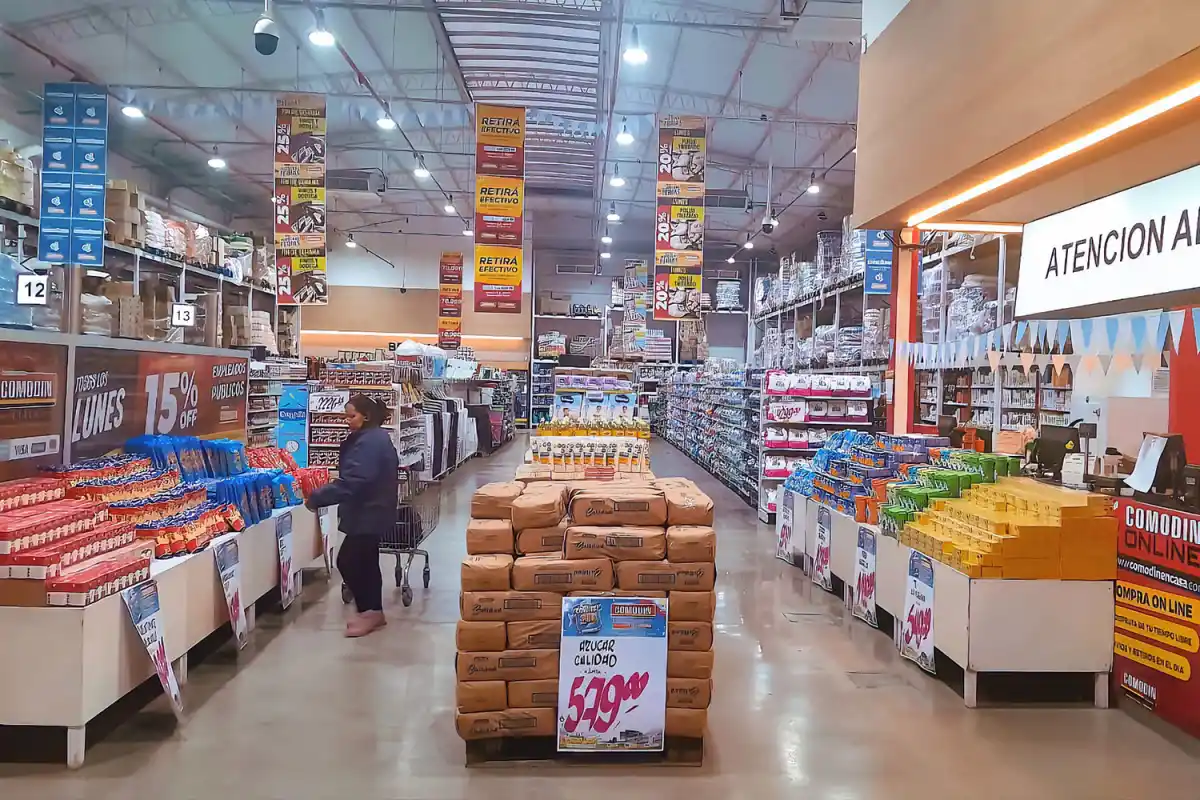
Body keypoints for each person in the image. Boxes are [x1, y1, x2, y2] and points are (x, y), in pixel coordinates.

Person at [306, 393, 399, 637]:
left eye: (351, 416)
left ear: (365, 416)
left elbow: (355, 479)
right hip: (372, 508)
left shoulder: (369, 442)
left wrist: (318, 497)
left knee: (348, 560)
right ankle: (373, 612)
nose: (347, 421)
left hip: (370, 510)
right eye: (346, 416)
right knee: (367, 561)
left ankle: (369, 610)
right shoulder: (372, 437)